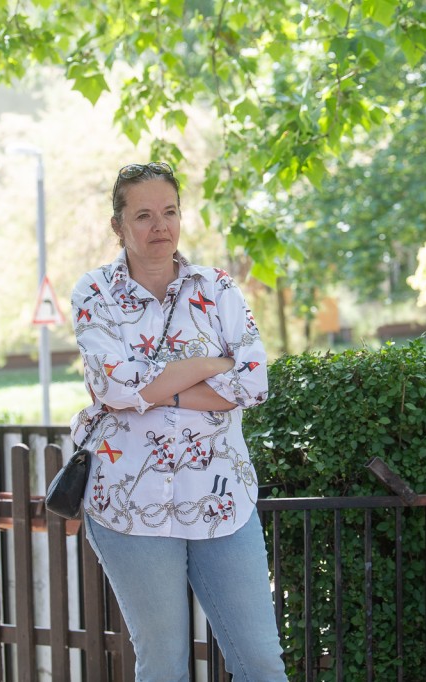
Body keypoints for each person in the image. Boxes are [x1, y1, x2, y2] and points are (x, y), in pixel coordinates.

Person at [69, 162, 287, 681]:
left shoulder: (217, 288)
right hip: (129, 503)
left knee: (260, 662)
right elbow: (113, 385)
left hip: (222, 501)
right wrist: (212, 365)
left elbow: (254, 383)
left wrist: (150, 390)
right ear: (118, 224)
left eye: (169, 212)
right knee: (165, 665)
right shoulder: (94, 293)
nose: (159, 226)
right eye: (143, 215)